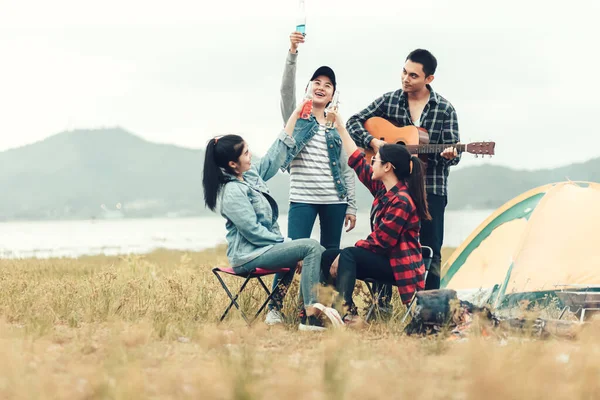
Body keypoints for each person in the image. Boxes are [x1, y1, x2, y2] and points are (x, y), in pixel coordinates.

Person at [202, 100, 328, 331]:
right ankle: (310, 316)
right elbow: (252, 231)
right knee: (310, 247)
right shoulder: (231, 191)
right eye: (246, 153)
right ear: (232, 163)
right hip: (247, 256)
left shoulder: (249, 176)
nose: (251, 156)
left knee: (316, 249)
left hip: (263, 249)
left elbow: (274, 157)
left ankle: (303, 310)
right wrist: (287, 244)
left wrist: (295, 118)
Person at [346, 48, 460, 292]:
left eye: (413, 76)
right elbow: (352, 122)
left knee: (431, 250)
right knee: (383, 245)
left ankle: (429, 309)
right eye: (404, 72)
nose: (406, 79)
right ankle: (380, 305)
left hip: (431, 189)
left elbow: (453, 156)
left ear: (429, 79)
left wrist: (449, 156)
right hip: (393, 190)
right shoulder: (390, 100)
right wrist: (374, 142)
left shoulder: (445, 109)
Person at [264, 31, 358, 325]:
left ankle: (321, 312)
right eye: (316, 83)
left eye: (327, 85)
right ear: (308, 88)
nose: (321, 87)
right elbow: (284, 90)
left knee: (330, 258)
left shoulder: (335, 126)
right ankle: (275, 308)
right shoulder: (297, 116)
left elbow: (347, 167)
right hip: (302, 199)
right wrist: (292, 51)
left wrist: (352, 205)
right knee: (292, 253)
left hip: (334, 201)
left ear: (333, 95)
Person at [320, 109, 431, 319]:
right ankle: (324, 309)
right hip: (385, 260)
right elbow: (356, 160)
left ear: (387, 167)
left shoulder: (403, 201)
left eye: (376, 160)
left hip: (399, 265)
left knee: (348, 254)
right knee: (327, 255)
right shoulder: (383, 189)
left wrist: (346, 253)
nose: (371, 162)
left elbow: (381, 242)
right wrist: (340, 126)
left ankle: (346, 312)